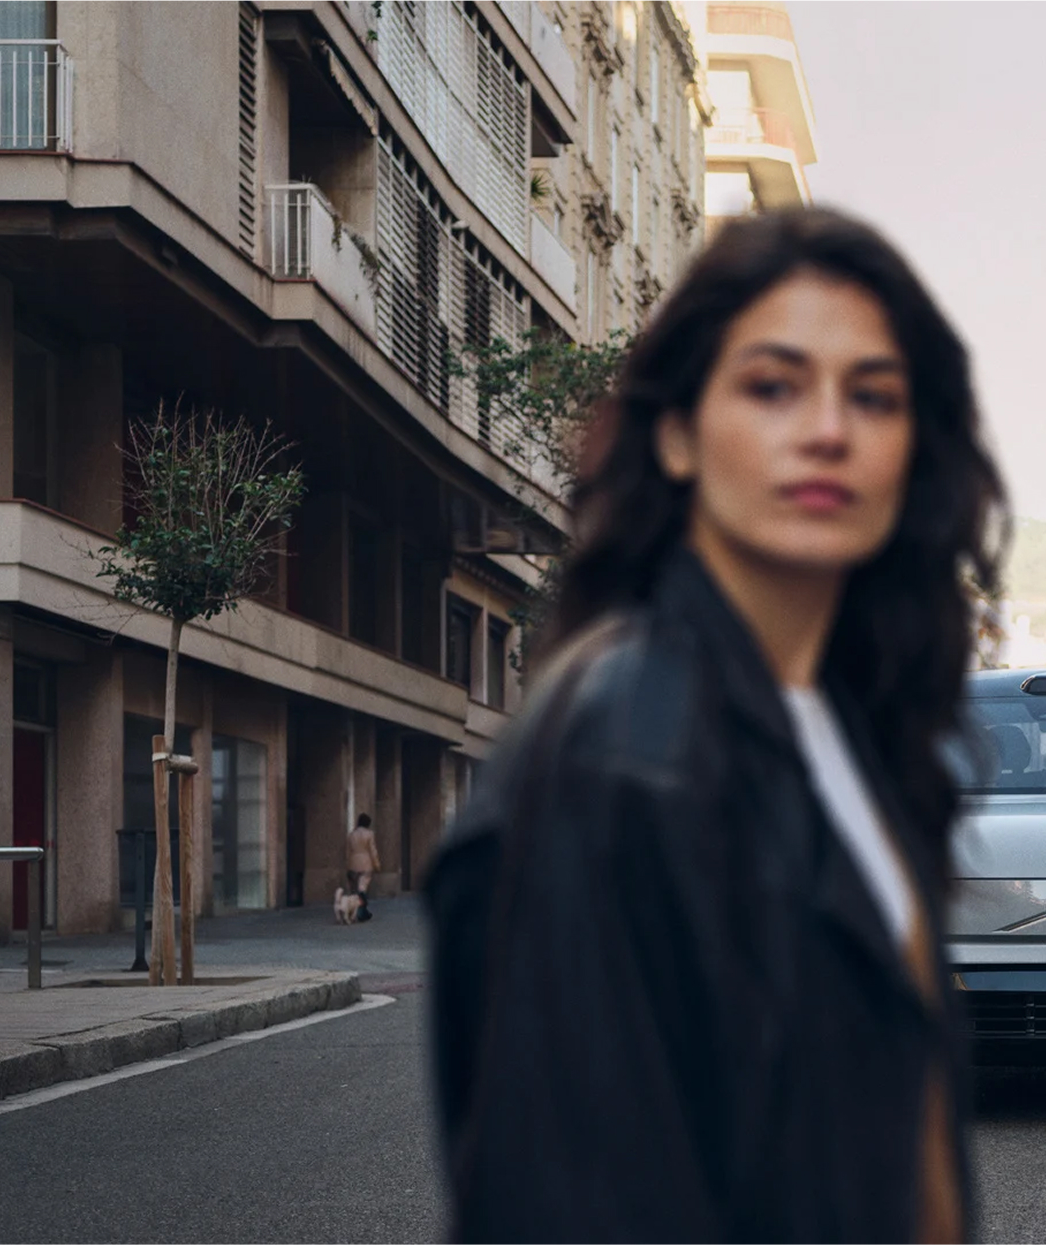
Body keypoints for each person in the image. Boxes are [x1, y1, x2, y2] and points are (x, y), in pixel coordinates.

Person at [425, 208, 1004, 1242]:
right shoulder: (621, 756)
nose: (828, 428)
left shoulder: (850, 730)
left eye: (873, 396)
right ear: (679, 432)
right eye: (772, 386)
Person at [346, 813, 379, 922]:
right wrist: (376, 864)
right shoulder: (369, 834)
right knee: (362, 888)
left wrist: (348, 864)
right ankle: (362, 912)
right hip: (366, 862)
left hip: (353, 862)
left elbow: (348, 851)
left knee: (354, 890)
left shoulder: (351, 834)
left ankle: (354, 912)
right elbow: (372, 850)